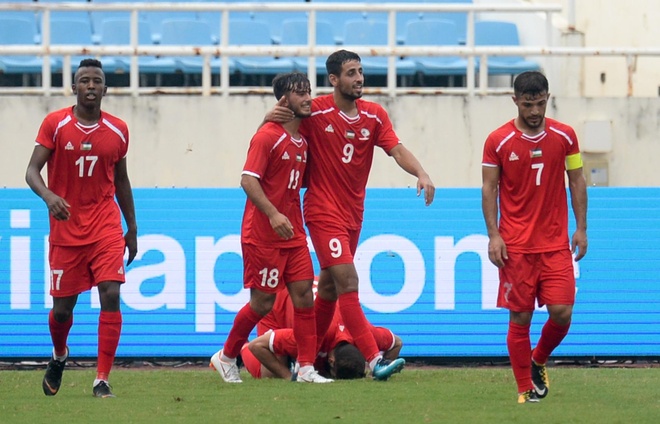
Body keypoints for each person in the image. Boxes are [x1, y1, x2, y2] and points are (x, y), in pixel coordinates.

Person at [266, 50, 435, 380]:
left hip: (353, 216)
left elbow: (396, 149)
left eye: (360, 71)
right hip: (321, 210)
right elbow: (275, 129)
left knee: (328, 288)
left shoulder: (374, 115)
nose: (359, 78)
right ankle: (375, 360)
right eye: (351, 73)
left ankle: (305, 358)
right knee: (348, 281)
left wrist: (421, 173)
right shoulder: (314, 111)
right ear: (334, 80)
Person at [25, 58, 138, 398]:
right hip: (66, 229)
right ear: (74, 88)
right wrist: (48, 196)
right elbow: (31, 171)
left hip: (104, 225)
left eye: (96, 81)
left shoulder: (118, 130)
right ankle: (60, 354)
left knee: (112, 293)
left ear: (105, 89)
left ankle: (101, 379)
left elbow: (121, 180)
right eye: (84, 80)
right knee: (62, 310)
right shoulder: (55, 124)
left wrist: (131, 227)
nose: (91, 86)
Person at [209, 72, 332, 384]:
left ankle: (305, 369)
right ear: (283, 100)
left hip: (293, 233)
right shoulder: (267, 136)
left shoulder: (302, 141)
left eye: (309, 92)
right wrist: (274, 214)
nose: (307, 98)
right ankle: (226, 356)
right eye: (300, 93)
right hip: (263, 233)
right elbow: (248, 180)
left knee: (304, 295)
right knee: (262, 303)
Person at [481, 71, 588, 404]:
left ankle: (538, 358)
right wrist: (494, 235)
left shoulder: (566, 136)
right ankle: (525, 388)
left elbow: (577, 180)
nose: (534, 111)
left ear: (547, 99)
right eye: (528, 104)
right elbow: (489, 188)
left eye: (540, 103)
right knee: (520, 316)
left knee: (562, 312)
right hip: (516, 247)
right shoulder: (497, 140)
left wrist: (581, 227)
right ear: (515, 101)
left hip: (555, 244)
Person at [242, 290, 403, 381]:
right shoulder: (310, 335)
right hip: (278, 305)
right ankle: (240, 348)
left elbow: (396, 343)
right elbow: (258, 346)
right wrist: (288, 377)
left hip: (313, 297)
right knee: (270, 374)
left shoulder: (366, 336)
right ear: (331, 360)